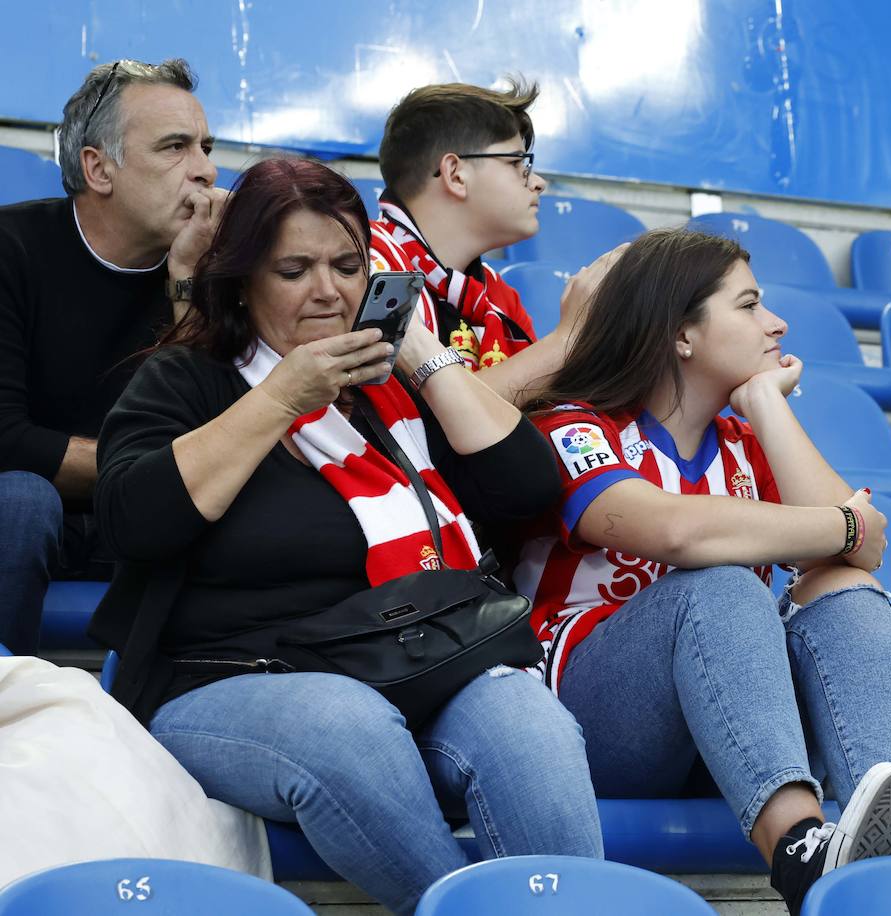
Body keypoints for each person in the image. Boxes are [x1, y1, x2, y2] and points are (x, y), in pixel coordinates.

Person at [89, 159, 601, 915]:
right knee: (345, 722)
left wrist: (423, 354)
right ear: (241, 282)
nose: (327, 291)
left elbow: (527, 486)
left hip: (416, 657)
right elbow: (136, 521)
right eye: (293, 269)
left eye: (347, 266)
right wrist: (282, 397)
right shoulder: (185, 382)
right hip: (229, 680)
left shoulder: (390, 387)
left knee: (531, 725)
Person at [516, 228, 891, 915]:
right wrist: (842, 525)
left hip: (733, 725)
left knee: (844, 589)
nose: (775, 323)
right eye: (748, 306)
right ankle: (804, 854)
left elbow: (863, 554)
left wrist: (768, 404)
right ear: (680, 334)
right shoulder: (574, 425)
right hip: (597, 723)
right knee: (720, 584)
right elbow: (675, 531)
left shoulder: (745, 442)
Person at [0, 58, 227, 654]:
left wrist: (187, 281)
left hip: (146, 521)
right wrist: (155, 473)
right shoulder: (10, 249)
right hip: (30, 512)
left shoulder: (218, 269)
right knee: (21, 499)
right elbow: (3, 438)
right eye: (175, 148)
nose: (205, 171)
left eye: (206, 147)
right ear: (97, 168)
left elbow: (222, 430)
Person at [370, 78, 611, 407]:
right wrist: (567, 341)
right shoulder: (369, 264)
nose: (538, 183)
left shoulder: (499, 297)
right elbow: (423, 424)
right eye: (516, 164)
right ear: (455, 174)